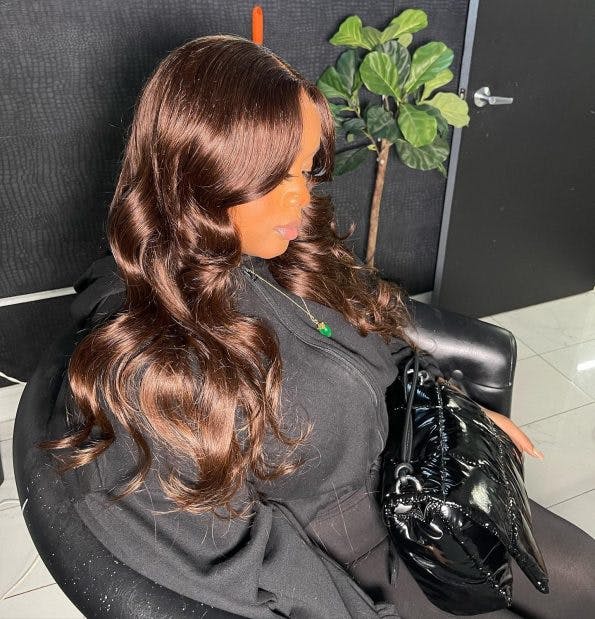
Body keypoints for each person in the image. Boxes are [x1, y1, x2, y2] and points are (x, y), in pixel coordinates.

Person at [44, 34, 595, 618]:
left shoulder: (279, 254)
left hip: (423, 474)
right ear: (198, 173)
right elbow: (249, 567)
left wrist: (451, 414)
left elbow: (382, 341)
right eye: (274, 178)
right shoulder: (157, 371)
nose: (301, 201)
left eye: (307, 171)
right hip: (361, 563)